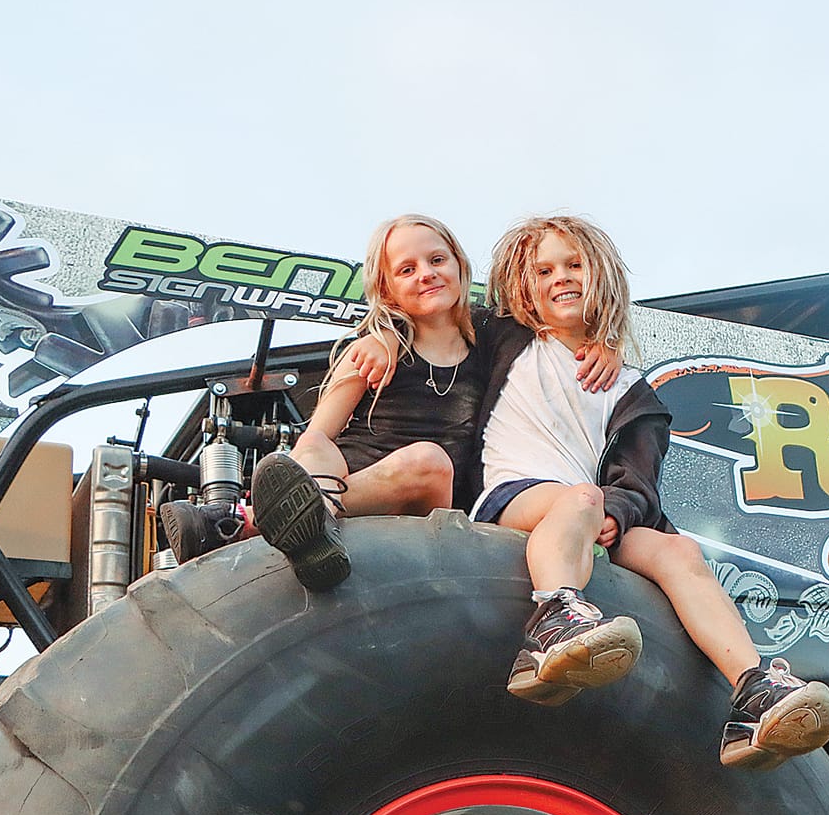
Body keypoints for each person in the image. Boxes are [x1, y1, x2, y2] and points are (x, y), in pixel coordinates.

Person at [470, 213, 829, 769]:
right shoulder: (506, 341)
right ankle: (551, 623)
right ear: (525, 289)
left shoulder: (632, 389)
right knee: (580, 499)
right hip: (514, 496)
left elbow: (637, 482)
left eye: (574, 265)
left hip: (588, 514)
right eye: (544, 271)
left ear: (603, 279)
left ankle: (753, 690)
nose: (560, 278)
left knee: (679, 550)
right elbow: (434, 328)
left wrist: (619, 511)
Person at [157, 214, 565, 591]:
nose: (426, 274)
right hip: (350, 475)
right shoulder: (371, 349)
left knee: (430, 461)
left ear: (459, 263)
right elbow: (316, 434)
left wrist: (605, 348)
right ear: (387, 288)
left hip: (427, 496)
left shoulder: (490, 339)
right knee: (315, 445)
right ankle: (312, 534)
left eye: (437, 259)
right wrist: (384, 335)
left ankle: (239, 523)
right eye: (407, 269)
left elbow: (557, 326)